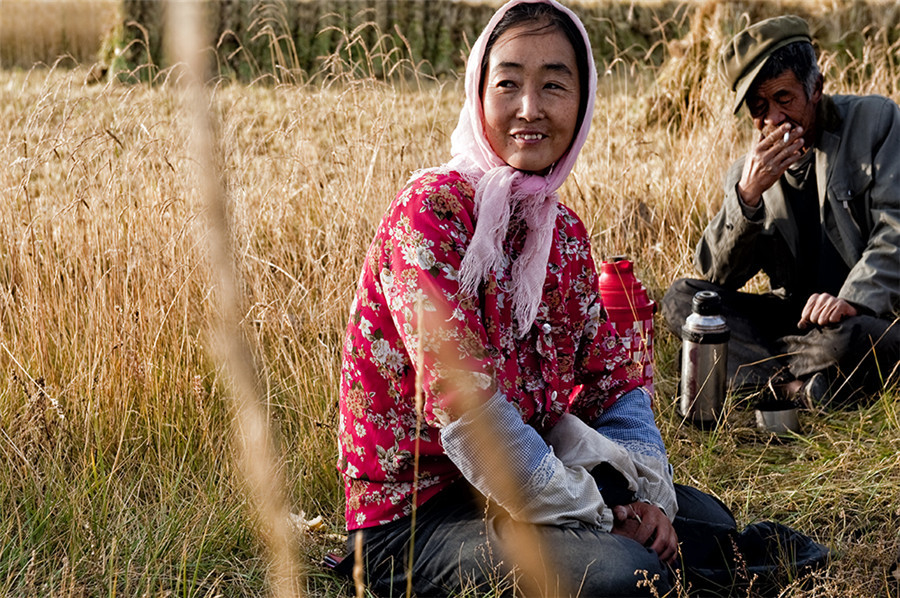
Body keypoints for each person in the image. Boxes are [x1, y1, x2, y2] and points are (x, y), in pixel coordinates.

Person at [335, 2, 827, 596]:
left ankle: (684, 554)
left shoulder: (562, 233)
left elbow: (615, 386)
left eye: (554, 86)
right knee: (627, 570)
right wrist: (599, 512)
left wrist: (646, 498)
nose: (530, 109)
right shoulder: (431, 214)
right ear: (478, 92)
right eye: (509, 83)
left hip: (529, 483)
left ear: (584, 98)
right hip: (420, 520)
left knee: (699, 520)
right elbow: (473, 419)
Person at [662, 15, 900, 407]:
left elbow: (895, 229)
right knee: (683, 301)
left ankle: (749, 376)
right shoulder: (746, 173)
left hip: (859, 318)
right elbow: (715, 276)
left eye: (784, 99)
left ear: (816, 88)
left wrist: (852, 300)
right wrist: (748, 197)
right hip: (796, 324)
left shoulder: (876, 122)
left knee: (852, 340)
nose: (773, 120)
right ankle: (798, 388)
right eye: (759, 108)